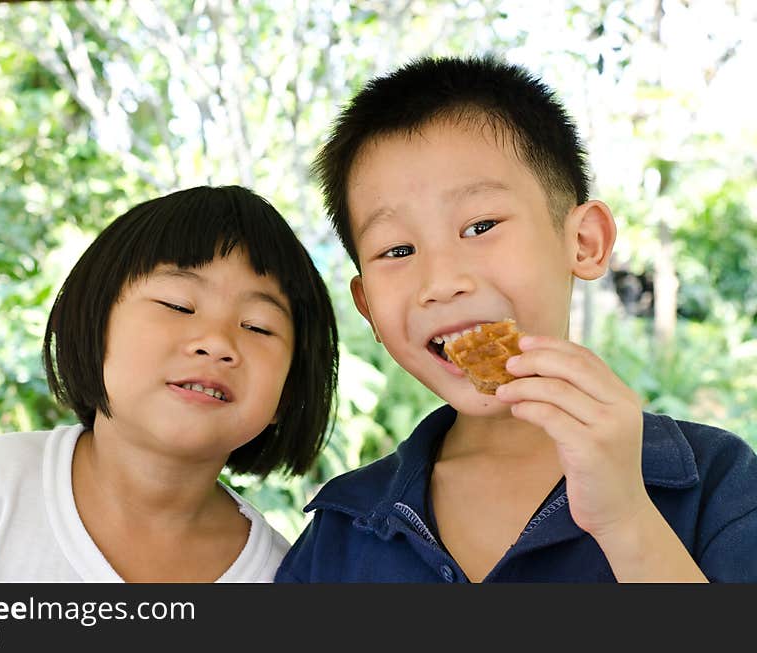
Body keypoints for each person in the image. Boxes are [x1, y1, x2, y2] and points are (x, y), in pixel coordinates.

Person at [275, 55, 757, 583]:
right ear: (367, 305)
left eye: (481, 226)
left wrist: (625, 519)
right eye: (397, 250)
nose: (441, 281)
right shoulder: (342, 531)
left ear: (583, 242)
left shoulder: (718, 485)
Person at [0, 185, 338, 582]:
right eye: (178, 304)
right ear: (93, 325)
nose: (217, 343)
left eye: (257, 327)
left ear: (290, 389)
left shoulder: (280, 577)